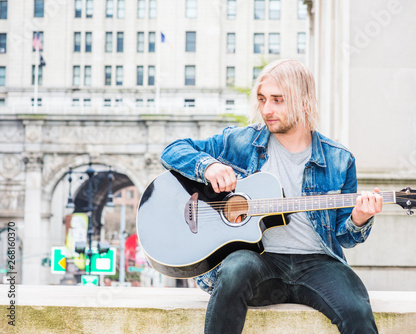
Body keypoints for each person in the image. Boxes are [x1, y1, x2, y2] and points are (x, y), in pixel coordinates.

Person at [161, 59, 382, 333]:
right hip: (259, 260)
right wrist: (210, 166)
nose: (267, 110)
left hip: (317, 263)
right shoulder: (241, 142)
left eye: (278, 100)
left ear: (304, 101)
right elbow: (173, 150)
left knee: (357, 309)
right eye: (263, 99)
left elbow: (345, 238)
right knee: (234, 271)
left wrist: (359, 219)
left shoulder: (340, 159)